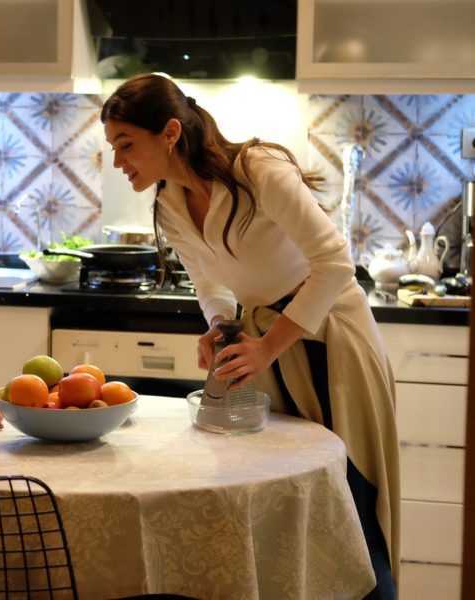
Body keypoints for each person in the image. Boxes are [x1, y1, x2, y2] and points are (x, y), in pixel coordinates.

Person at [102, 74, 399, 599]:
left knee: (348, 493)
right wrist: (220, 325)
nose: (118, 161)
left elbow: (335, 264)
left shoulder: (258, 170)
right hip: (270, 345)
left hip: (331, 339)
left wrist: (266, 346)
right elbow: (208, 282)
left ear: (169, 133)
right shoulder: (169, 202)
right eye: (113, 148)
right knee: (288, 493)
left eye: (125, 144)